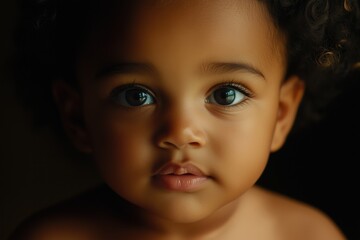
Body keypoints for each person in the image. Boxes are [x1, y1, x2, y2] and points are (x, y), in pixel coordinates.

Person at [8, 0, 360, 239]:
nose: (180, 133)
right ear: (77, 115)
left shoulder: (306, 235)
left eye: (226, 94)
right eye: (136, 95)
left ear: (281, 114)